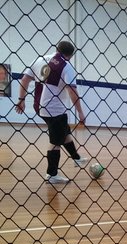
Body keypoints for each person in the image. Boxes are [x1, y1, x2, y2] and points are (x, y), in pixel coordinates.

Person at [15, 41, 87, 184]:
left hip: (39, 106)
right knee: (55, 141)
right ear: (71, 55)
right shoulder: (67, 67)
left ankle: (76, 158)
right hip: (53, 109)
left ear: (56, 49)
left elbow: (24, 80)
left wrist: (21, 99)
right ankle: (52, 174)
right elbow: (72, 91)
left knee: (64, 132)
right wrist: (80, 113)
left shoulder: (40, 59)